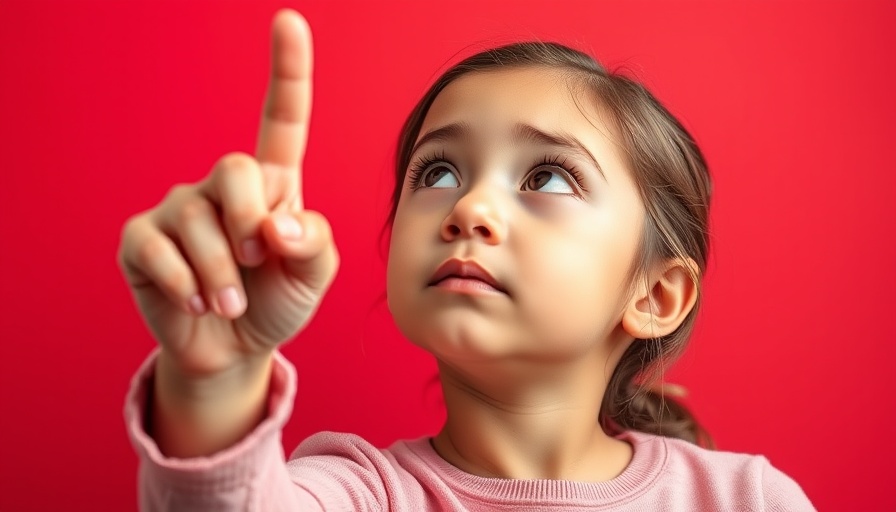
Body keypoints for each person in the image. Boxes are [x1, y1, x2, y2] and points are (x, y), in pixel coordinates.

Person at [119, 8, 815, 511]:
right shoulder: (361, 491)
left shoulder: (746, 500)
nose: (468, 208)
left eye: (545, 178)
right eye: (438, 173)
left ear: (655, 295)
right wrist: (217, 374)